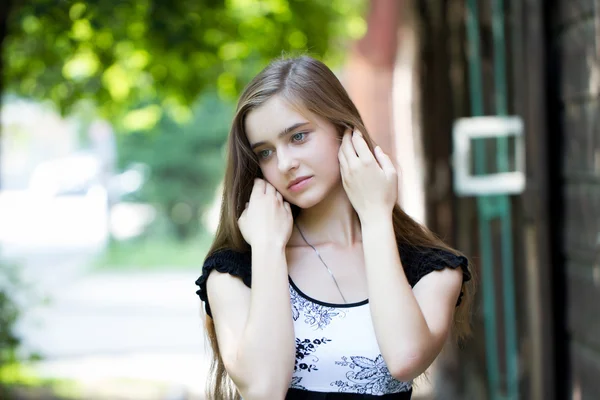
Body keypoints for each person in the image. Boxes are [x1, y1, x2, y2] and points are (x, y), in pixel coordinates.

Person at [194, 55, 474, 400]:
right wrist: (268, 249)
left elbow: (405, 359)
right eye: (265, 153)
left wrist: (375, 218)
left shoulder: (429, 266)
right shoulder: (235, 270)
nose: (284, 164)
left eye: (298, 137)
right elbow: (264, 390)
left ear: (344, 131)